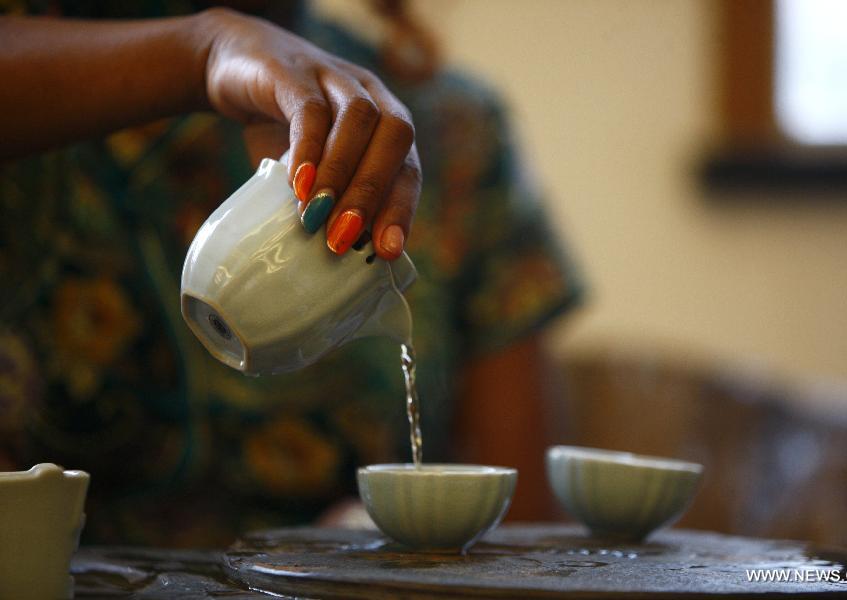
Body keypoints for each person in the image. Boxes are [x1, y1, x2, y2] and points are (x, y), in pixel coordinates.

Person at [0, 1, 581, 547]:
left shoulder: (444, 130)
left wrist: (381, 544)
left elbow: (522, 520)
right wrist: (202, 51)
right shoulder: (36, 89)